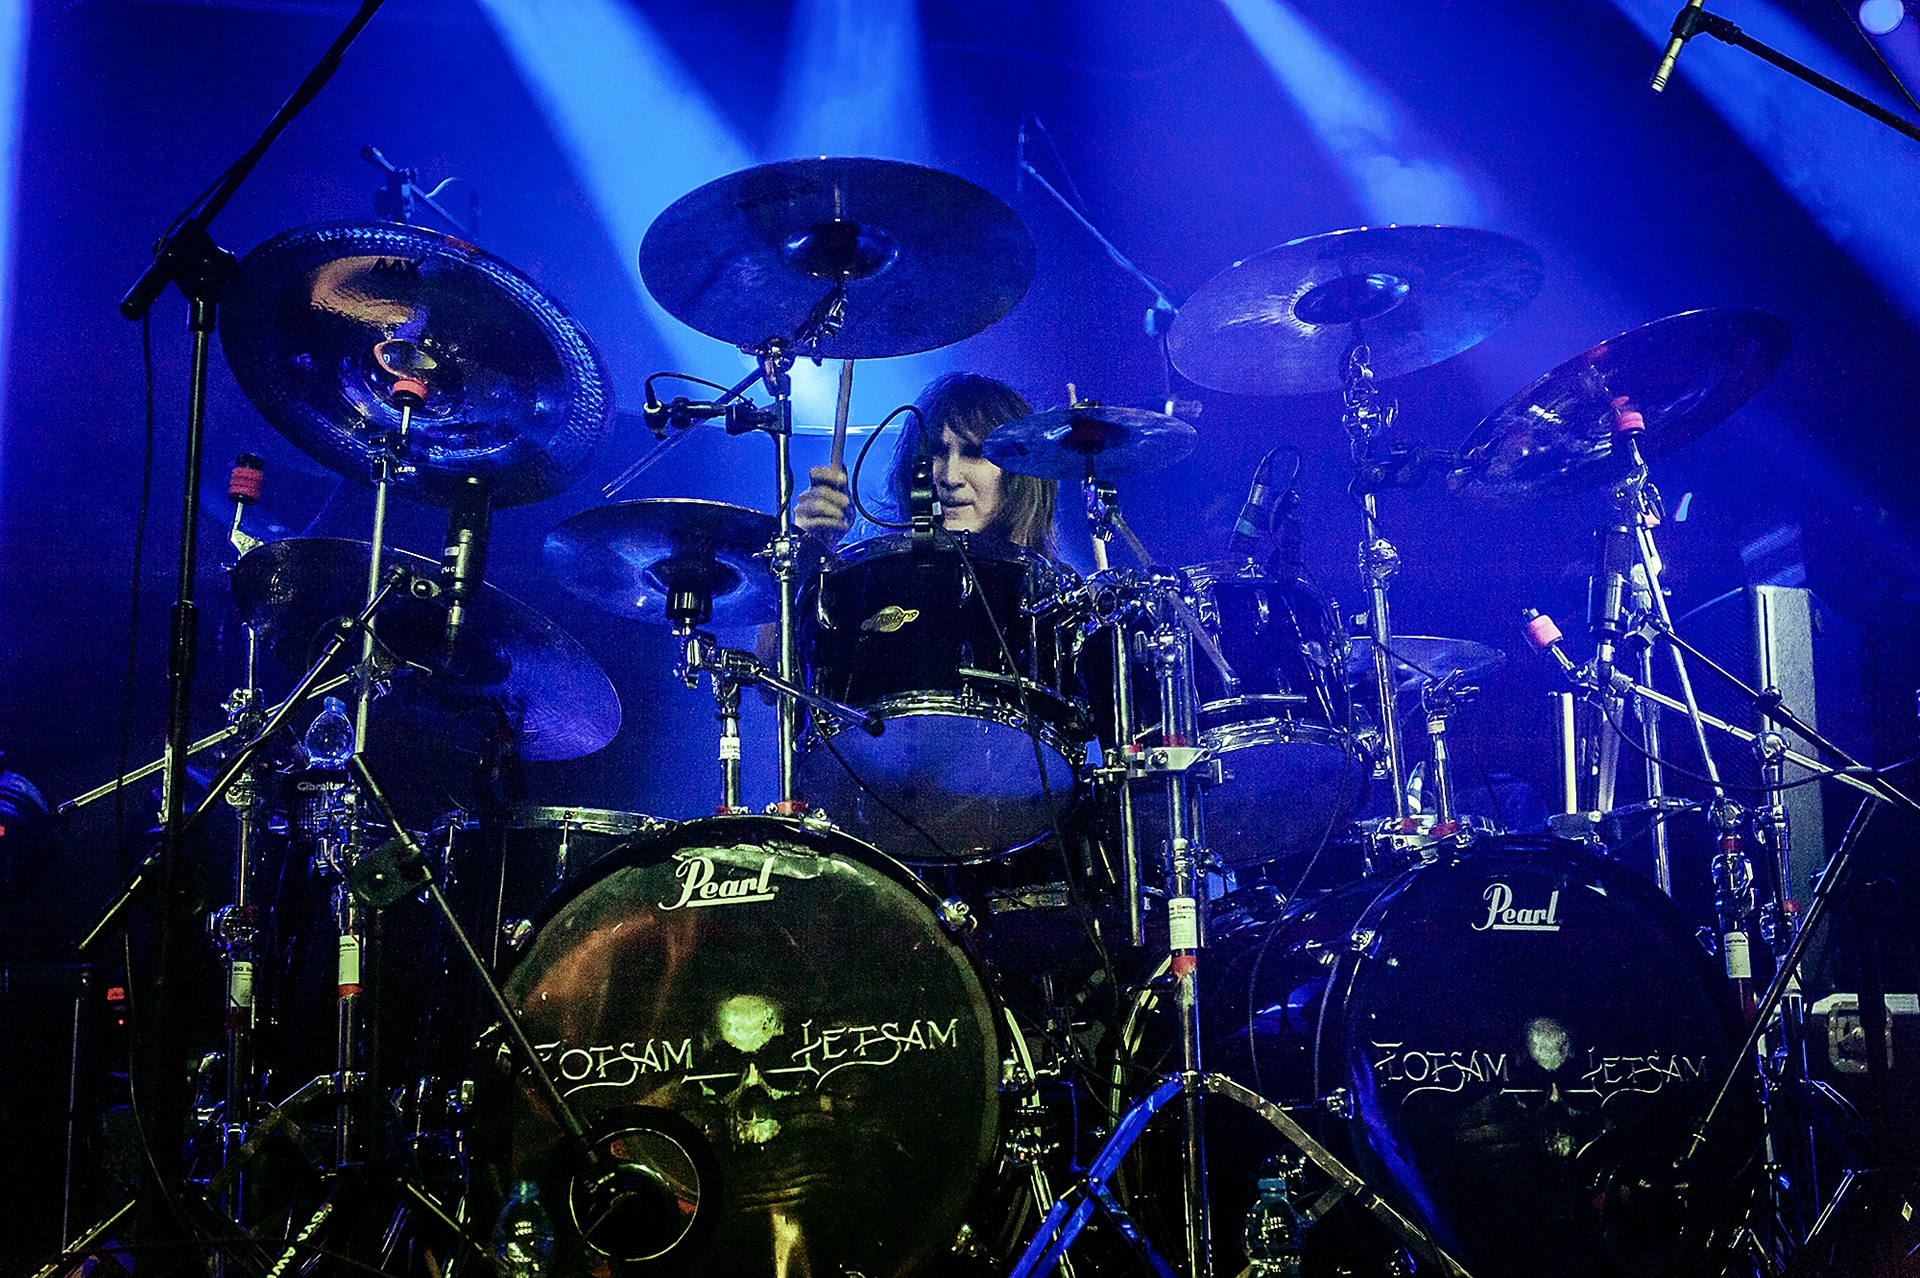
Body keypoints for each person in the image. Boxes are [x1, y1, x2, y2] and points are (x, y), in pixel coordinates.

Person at [794, 372, 1058, 553]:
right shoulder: (871, 575)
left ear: (1020, 472)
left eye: (975, 453)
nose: (950, 477)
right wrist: (808, 549)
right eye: (935, 452)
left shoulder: (1057, 598)